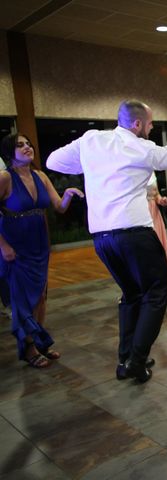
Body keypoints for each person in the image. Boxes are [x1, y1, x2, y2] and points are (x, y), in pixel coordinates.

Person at [47, 100, 167, 383]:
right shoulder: (140, 147)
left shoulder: (91, 140)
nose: (152, 127)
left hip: (101, 238)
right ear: (137, 124)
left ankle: (126, 359)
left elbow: (52, 162)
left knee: (131, 294)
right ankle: (136, 359)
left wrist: (93, 163)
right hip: (135, 233)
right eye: (150, 123)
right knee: (156, 293)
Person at [0, 133, 84, 367]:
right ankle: (28, 348)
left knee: (40, 296)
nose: (27, 147)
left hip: (39, 244)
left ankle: (39, 341)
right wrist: (3, 246)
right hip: (15, 246)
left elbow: (59, 207)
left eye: (28, 144)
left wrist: (67, 194)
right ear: (9, 152)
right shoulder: (5, 178)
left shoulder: (40, 176)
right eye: (20, 145)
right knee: (23, 299)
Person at [147, 173, 167, 264]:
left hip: (154, 212)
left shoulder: (151, 171)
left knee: (158, 243)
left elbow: (156, 194)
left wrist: (161, 200)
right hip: (141, 211)